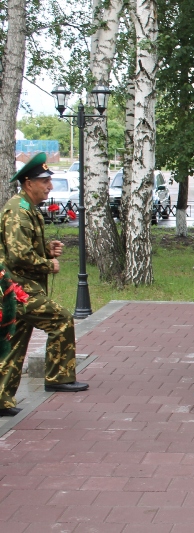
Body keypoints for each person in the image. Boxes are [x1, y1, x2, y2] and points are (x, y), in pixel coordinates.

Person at [0, 153, 89, 417]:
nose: (49, 186)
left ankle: (2, 399)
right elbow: (17, 256)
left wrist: (47, 250)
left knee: (14, 343)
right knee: (61, 319)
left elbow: (23, 248)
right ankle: (59, 377)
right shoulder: (17, 211)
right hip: (18, 288)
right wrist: (47, 264)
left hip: (19, 288)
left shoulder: (26, 208)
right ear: (28, 183)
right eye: (45, 181)